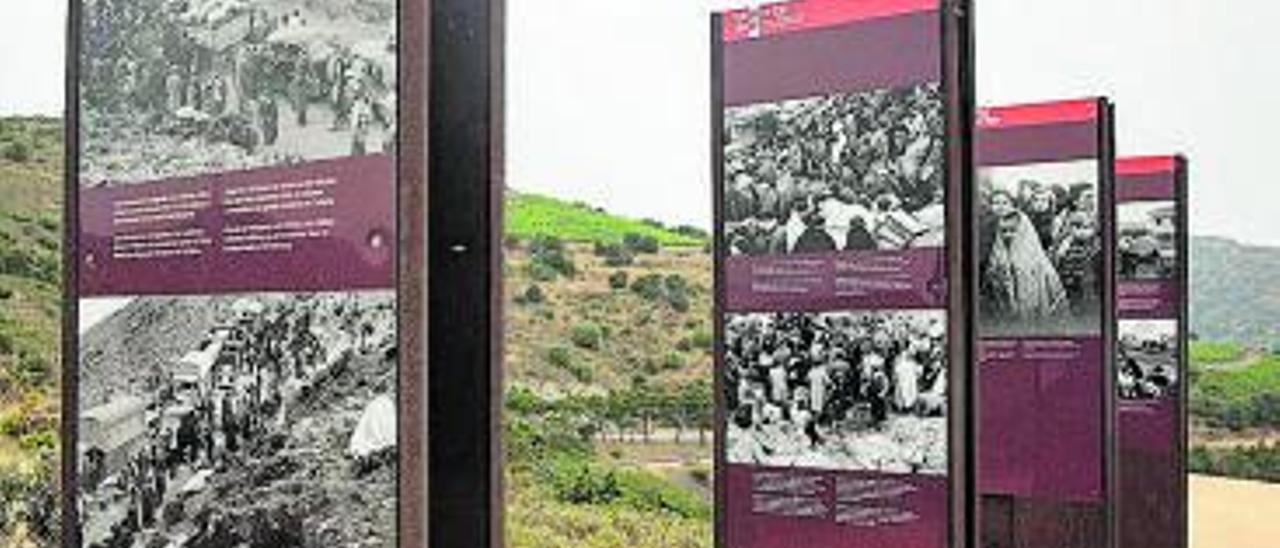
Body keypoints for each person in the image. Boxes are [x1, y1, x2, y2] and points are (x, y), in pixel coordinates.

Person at [982, 187, 1066, 323]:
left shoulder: (1024, 225)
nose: (1008, 235)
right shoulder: (991, 237)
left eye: (1004, 203)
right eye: (996, 203)